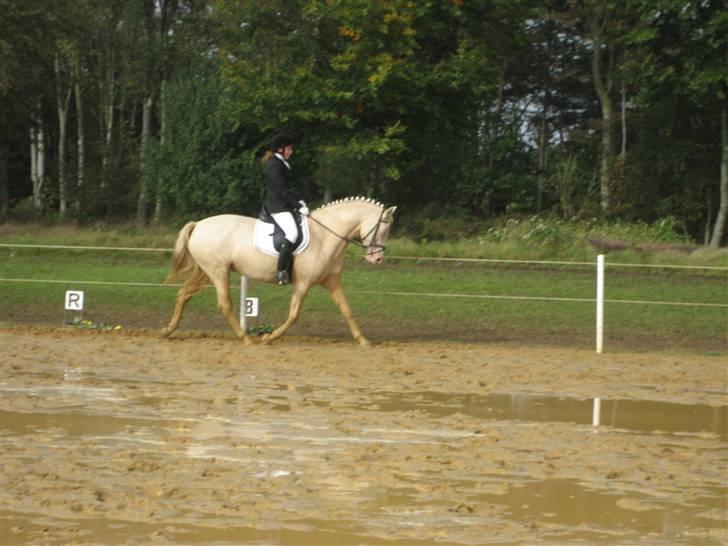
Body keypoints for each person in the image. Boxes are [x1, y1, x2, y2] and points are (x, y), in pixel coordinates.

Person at [263, 133, 309, 285]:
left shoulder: (282, 164)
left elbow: (290, 188)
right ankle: (281, 272)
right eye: (289, 149)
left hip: (285, 205)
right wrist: (297, 206)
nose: (291, 151)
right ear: (281, 149)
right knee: (292, 233)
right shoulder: (274, 165)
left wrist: (300, 201)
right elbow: (282, 190)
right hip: (277, 207)